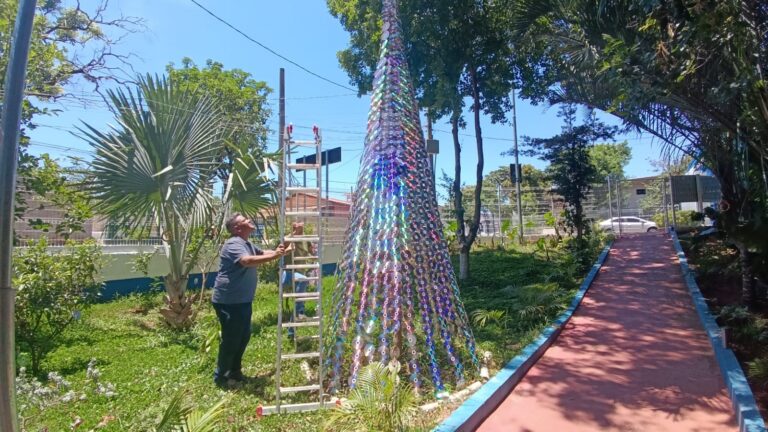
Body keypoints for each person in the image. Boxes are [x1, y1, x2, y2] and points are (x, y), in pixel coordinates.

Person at [212, 213, 286, 388]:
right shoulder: (233, 244)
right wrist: (275, 255)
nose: (250, 221)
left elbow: (262, 253)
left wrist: (282, 251)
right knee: (232, 339)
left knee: (243, 336)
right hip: (229, 301)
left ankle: (235, 372)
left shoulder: (246, 243)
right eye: (245, 220)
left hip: (242, 300)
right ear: (237, 228)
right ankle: (222, 377)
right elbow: (247, 261)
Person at [281, 222, 316, 339]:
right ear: (293, 226)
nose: (300, 223)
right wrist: (295, 234)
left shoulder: (306, 239)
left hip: (300, 274)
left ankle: (291, 331)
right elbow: (283, 244)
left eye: (301, 222)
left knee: (299, 297)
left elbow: (312, 251)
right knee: (303, 281)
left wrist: (315, 252)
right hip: (287, 273)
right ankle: (300, 312)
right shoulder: (288, 237)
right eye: (296, 222)